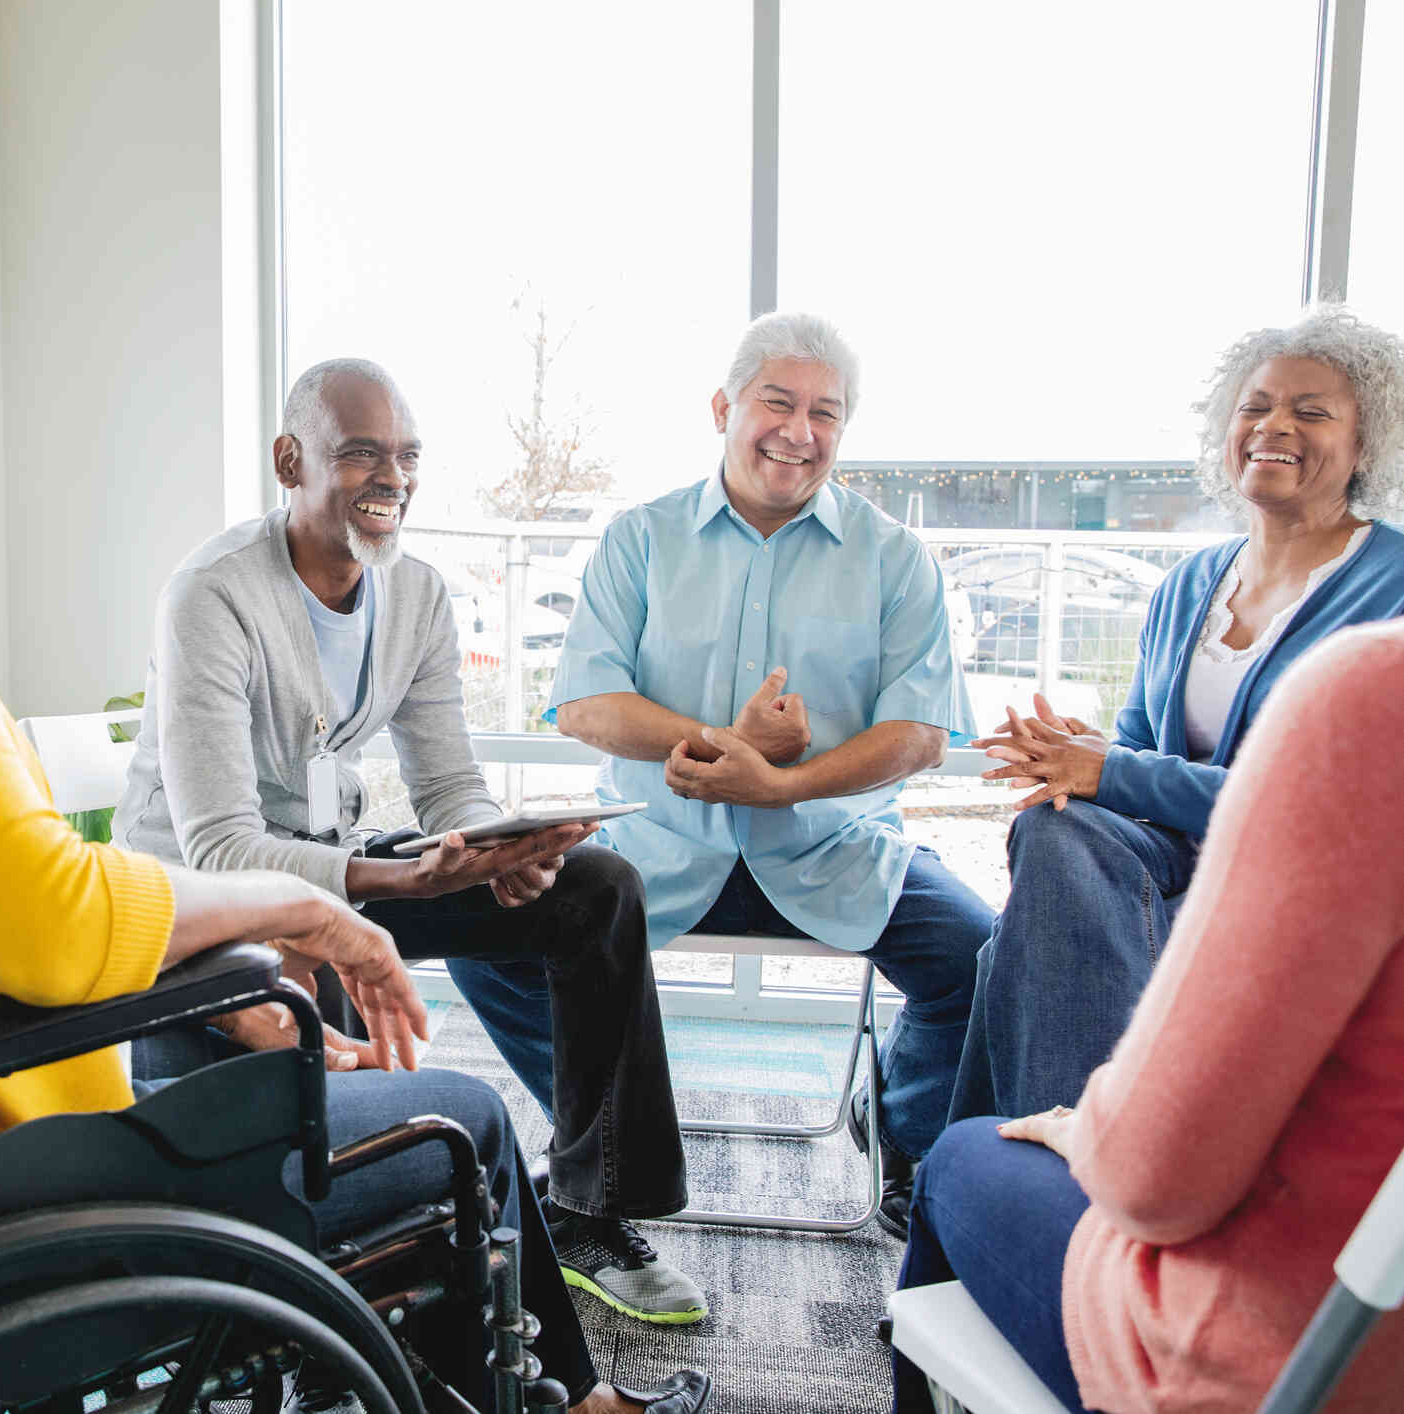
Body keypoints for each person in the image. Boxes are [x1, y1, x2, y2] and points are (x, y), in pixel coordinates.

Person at [0, 236, 709, 1414]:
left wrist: (214, 953)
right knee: (458, 1118)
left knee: (502, 966)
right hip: (4, 1180)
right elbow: (48, 918)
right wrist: (297, 911)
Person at [115, 358, 706, 1325]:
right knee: (338, 968)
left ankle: (593, 1210)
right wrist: (394, 879)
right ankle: (373, 1277)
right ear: (289, 459)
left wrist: (498, 846)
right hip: (211, 899)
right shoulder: (212, 596)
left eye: (406, 457)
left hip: (342, 866)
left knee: (595, 887)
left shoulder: (418, 597)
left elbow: (445, 781)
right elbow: (219, 847)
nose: (390, 478)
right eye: (359, 455)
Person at [548, 312, 994, 1240]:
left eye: (825, 413)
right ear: (723, 407)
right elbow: (587, 706)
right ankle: (605, 1148)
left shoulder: (894, 557)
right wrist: (727, 746)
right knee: (497, 935)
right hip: (655, 850)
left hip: (834, 850)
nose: (799, 432)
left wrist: (785, 786)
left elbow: (920, 735)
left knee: (985, 960)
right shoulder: (640, 539)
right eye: (776, 403)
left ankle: (905, 1140)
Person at [893, 619, 1404, 1413]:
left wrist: (1082, 1128)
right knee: (1049, 849)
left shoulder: (1373, 685)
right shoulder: (1195, 587)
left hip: (1288, 1364)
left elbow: (1157, 1187)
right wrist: (1100, 760)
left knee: (962, 1157)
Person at [948, 304, 1404, 1127]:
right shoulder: (1190, 583)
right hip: (1160, 874)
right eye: (1255, 406)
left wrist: (1111, 772)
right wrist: (1076, 757)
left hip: (1297, 895)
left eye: (1310, 411)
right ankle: (1068, 1149)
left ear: (1365, 446)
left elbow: (1332, 809)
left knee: (1013, 951)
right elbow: (1136, 745)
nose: (1273, 426)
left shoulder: (1394, 590)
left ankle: (1026, 1160)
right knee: (1052, 831)